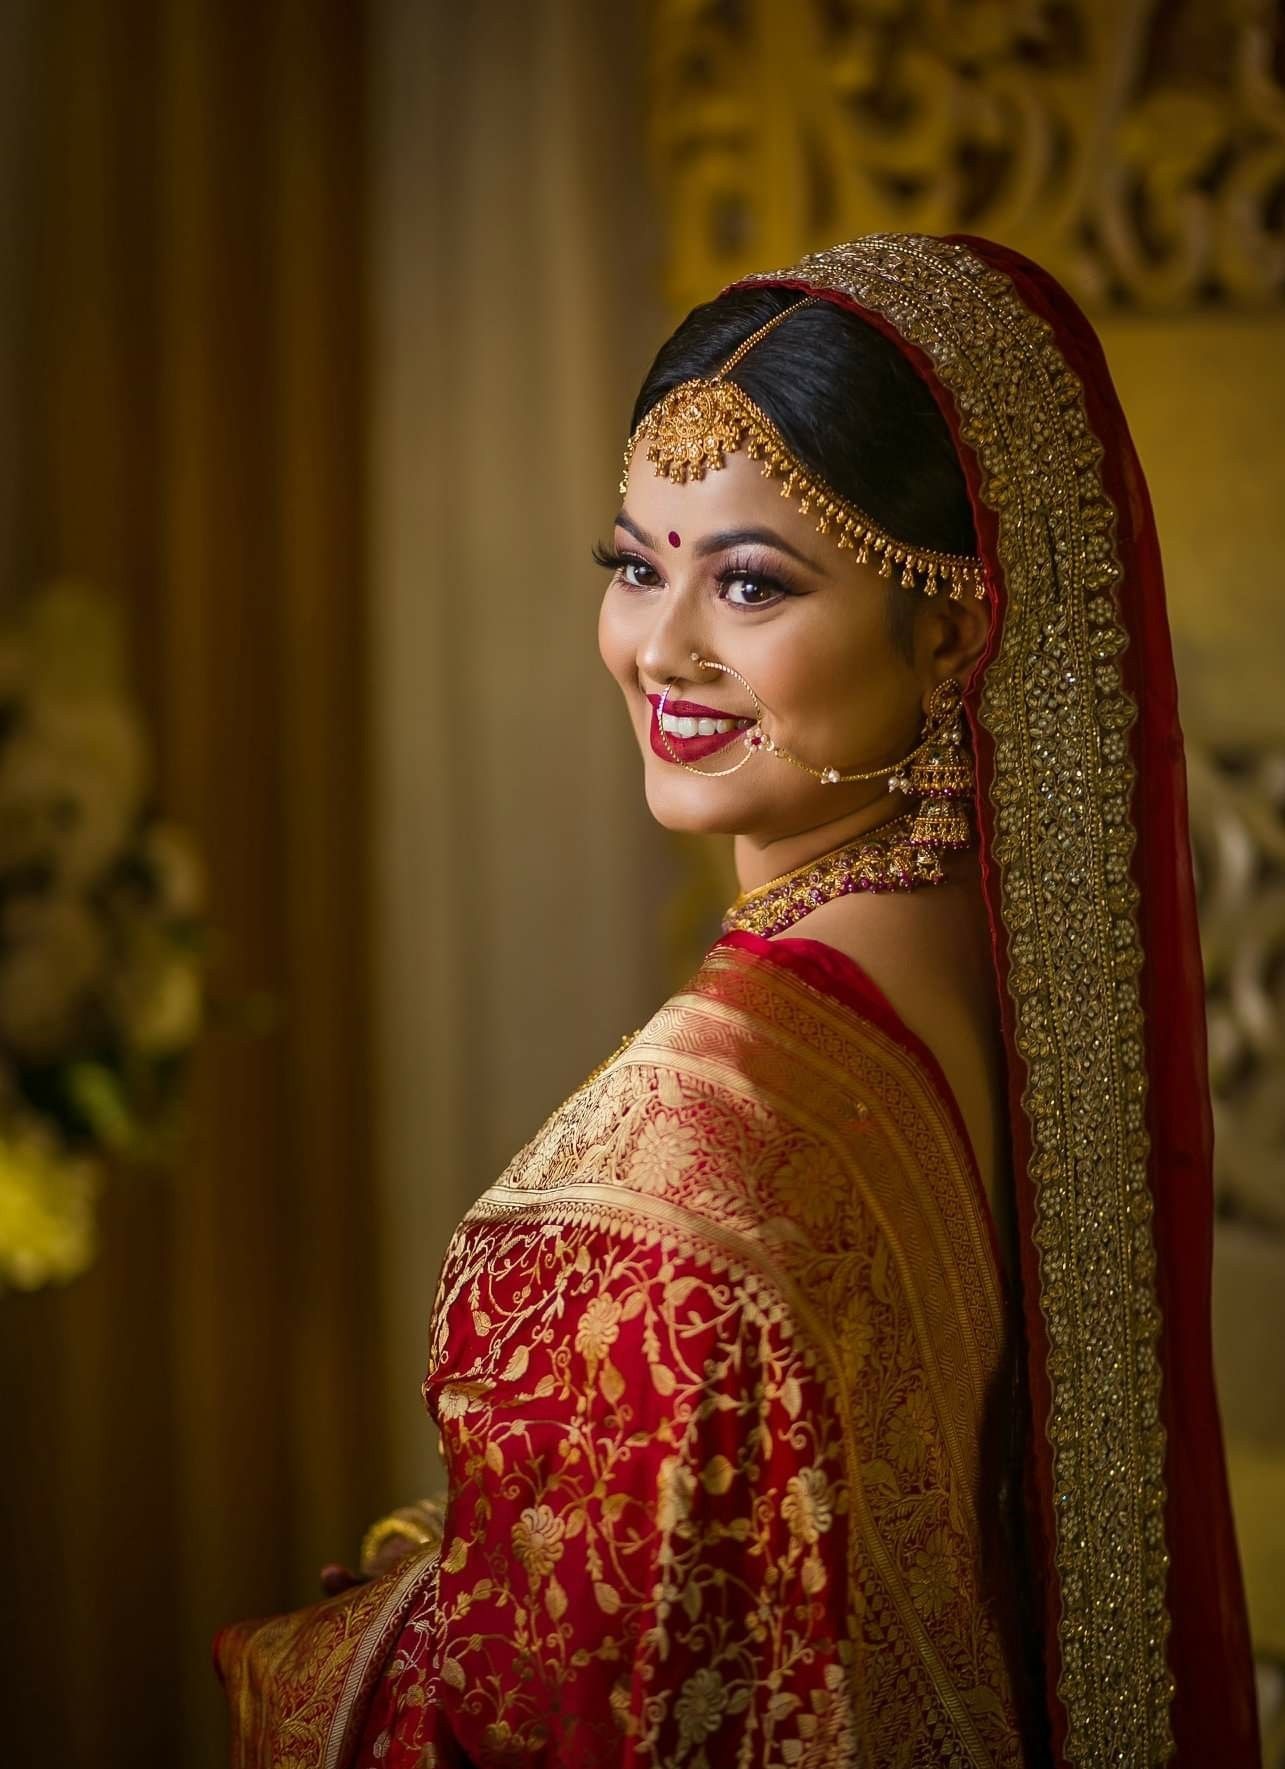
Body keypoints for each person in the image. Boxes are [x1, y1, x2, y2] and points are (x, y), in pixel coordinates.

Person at [215, 233, 1261, 1767]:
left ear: (952, 628)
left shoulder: (661, 1184)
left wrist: (329, 1655)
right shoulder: (1012, 971)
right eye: (636, 566)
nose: (661, 649)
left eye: (752, 583)